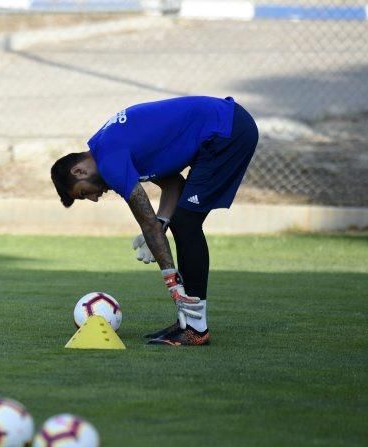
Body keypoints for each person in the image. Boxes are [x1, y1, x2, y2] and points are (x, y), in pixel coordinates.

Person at [50, 96, 258, 346]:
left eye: (85, 193)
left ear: (79, 171)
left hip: (227, 130)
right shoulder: (110, 147)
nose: (94, 198)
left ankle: (195, 329)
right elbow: (173, 185)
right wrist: (161, 223)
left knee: (186, 224)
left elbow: (146, 221)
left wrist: (173, 285)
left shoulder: (109, 160)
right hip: (226, 124)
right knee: (183, 221)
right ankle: (189, 323)